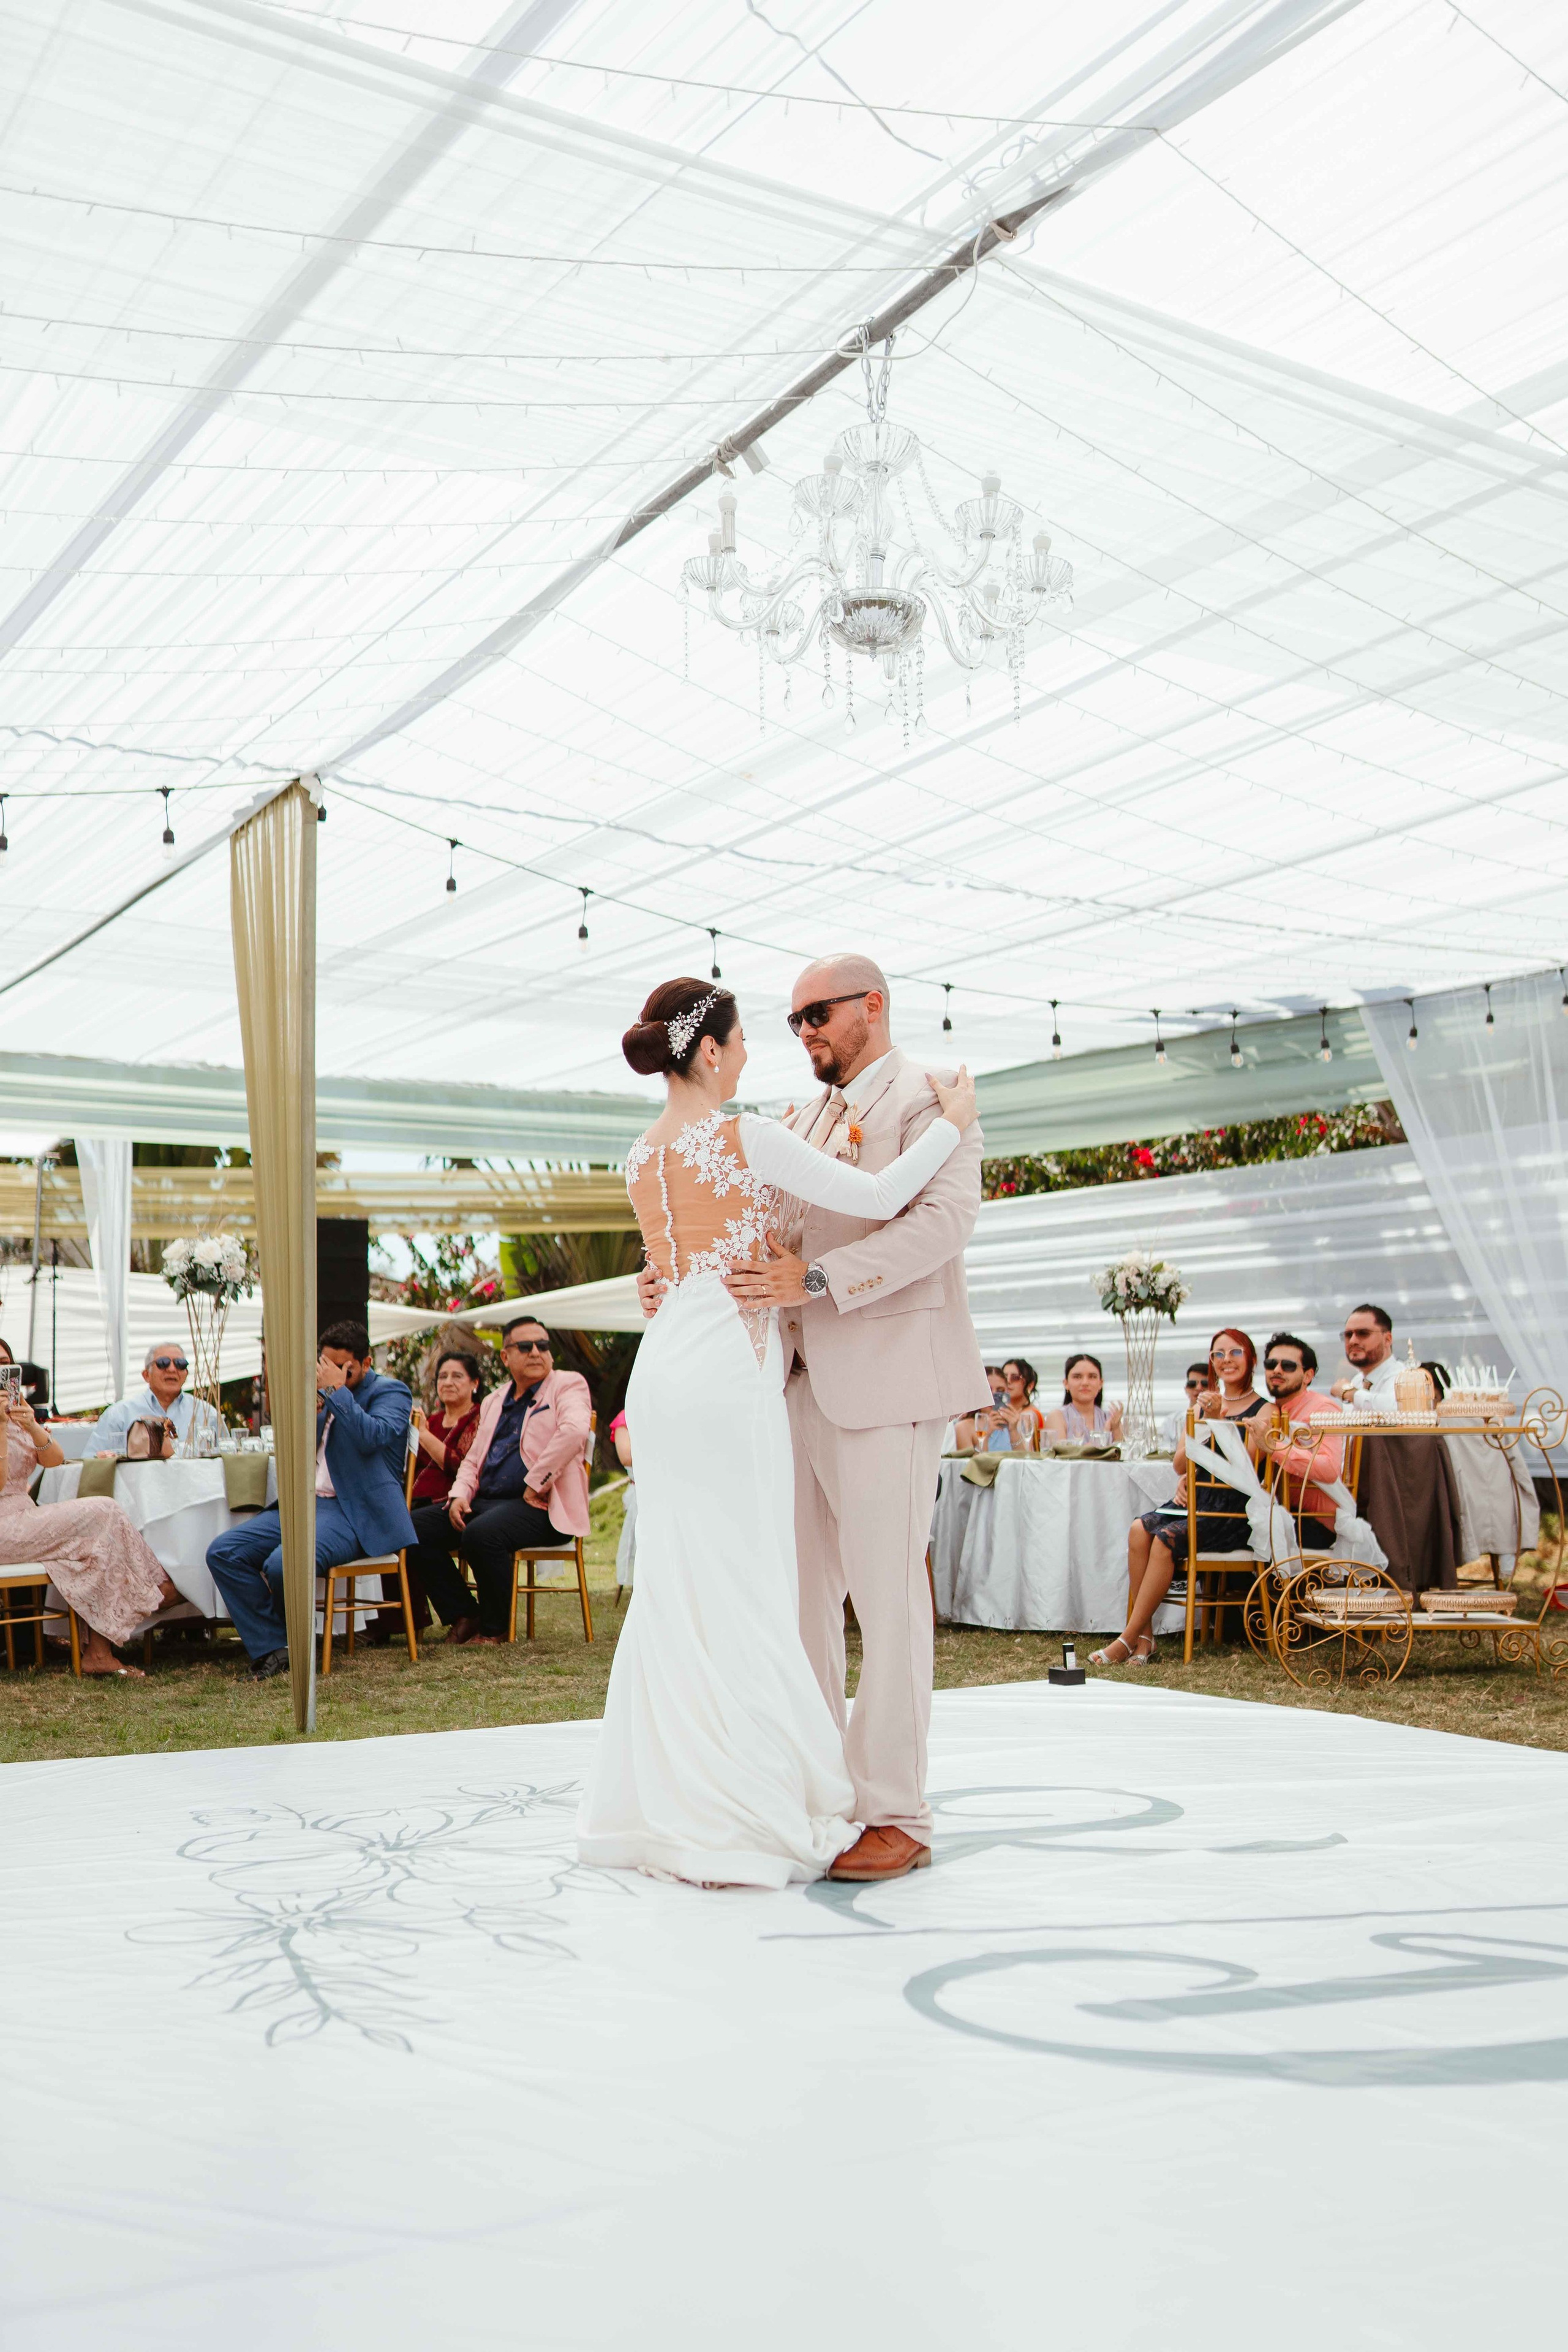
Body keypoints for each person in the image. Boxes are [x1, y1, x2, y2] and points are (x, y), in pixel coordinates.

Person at [582, 973, 979, 1889]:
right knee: (776, 1595)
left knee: (852, 1597)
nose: (795, 1032)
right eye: (784, 1021)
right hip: (759, 1379)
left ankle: (889, 1810)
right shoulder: (774, 1124)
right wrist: (667, 1273)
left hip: (828, 1377)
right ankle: (796, 1788)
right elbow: (776, 1222)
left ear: (872, 1004)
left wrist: (800, 1278)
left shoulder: (927, 1098)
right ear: (710, 1048)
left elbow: (939, 1221)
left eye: (814, 1014)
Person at [205, 1321, 414, 1679]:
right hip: (307, 1502)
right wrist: (311, 1408)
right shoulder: (324, 1391)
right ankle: (277, 1647)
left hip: (352, 1512)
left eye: (343, 1367)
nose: (332, 1372)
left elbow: (373, 1437)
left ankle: (293, 1646)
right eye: (326, 1364)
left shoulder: (391, 1392)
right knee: (224, 1552)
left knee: (283, 1564)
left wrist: (335, 1391)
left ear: (366, 1363)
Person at [0, 1336, 182, 1676]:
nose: (1, 1370)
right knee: (103, 1512)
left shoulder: (17, 1412)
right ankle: (156, 1589)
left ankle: (98, 1653)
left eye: (5, 1364)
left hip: (23, 1516)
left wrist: (31, 1424)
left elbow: (54, 1460)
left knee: (99, 1547)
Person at [407, 1319, 590, 1646]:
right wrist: (459, 1495)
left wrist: (536, 1483)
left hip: (541, 1505)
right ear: (505, 1357)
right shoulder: (495, 1400)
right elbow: (474, 1457)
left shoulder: (567, 1385)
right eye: (525, 1347)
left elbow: (575, 1432)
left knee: (482, 1534)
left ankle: (495, 1628)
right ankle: (465, 1614)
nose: (536, 1353)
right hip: (488, 1501)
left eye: (543, 1346)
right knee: (412, 1528)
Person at [1094, 1327, 1263, 1665]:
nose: (1226, 1360)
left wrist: (1218, 1422)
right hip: (1195, 1500)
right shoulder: (1200, 1408)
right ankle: (1145, 1638)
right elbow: (1180, 1464)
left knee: (1164, 1540)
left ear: (1251, 1359)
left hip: (1232, 1508)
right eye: (1218, 1354)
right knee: (1138, 1530)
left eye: (1235, 1352)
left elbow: (1246, 1470)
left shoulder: (1265, 1410)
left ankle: (1127, 1638)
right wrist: (1204, 1423)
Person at [402, 1349, 486, 1631]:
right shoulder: (434, 1420)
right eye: (443, 1376)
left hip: (459, 1505)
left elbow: (459, 1464)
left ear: (475, 1383)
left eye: (457, 1376)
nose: (448, 1382)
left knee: (411, 1529)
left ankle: (464, 1613)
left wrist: (423, 1434)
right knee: (389, 1523)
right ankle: (395, 1621)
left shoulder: (479, 1418)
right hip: (418, 1503)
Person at [1254, 1333, 1344, 1553]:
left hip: (1314, 1522)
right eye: (1271, 1364)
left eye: (1288, 1366)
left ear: (1308, 1376)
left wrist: (1275, 1448)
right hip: (1279, 1513)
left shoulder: (1323, 1409)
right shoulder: (1268, 1411)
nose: (1277, 1371)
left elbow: (1329, 1469)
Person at [94, 1340, 223, 1458]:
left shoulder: (206, 1413)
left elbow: (227, 1458)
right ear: (146, 1375)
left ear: (186, 1374)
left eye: (180, 1364)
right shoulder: (118, 1415)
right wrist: (103, 1458)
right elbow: (92, 1462)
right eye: (163, 1363)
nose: (172, 1369)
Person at [1044, 1352, 1124, 1447]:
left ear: (1101, 1383)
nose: (1085, 1383)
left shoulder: (1110, 1418)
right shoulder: (1057, 1417)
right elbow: (1064, 1454)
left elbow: (1121, 1452)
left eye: (1092, 1377)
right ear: (1066, 1384)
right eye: (1077, 1377)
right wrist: (1105, 1432)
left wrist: (1116, 1428)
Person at [1331, 1303, 1398, 1410]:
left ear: (1387, 1340)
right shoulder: (1357, 1381)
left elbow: (1397, 1410)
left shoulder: (1405, 1378)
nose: (1353, 1341)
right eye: (1348, 1335)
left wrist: (1350, 1394)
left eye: (1363, 1333)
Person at [1158, 1363, 1210, 1450]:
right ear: (1186, 1389)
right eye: (1192, 1384)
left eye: (1205, 1384)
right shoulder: (1171, 1421)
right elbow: (1162, 1451)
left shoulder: (1223, 1419)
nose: (1198, 1388)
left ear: (1217, 1389)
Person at [954, 1366, 1007, 1453]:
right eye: (988, 1390)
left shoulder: (1015, 1422)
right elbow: (973, 1461)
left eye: (1000, 1391)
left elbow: (1025, 1457)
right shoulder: (964, 1427)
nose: (993, 1396)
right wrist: (986, 1434)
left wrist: (1014, 1431)